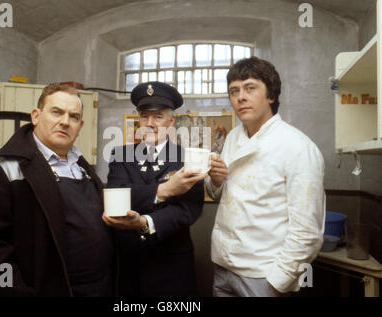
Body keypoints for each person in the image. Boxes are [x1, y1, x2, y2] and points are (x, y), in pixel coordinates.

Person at [0, 83, 115, 296]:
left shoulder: (82, 166)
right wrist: (15, 290)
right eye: (56, 112)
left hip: (99, 287)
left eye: (73, 117)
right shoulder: (1, 164)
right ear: (36, 116)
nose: (65, 122)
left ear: (80, 126)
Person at [206, 56, 325, 297]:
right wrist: (216, 181)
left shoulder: (297, 146)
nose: (240, 97)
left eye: (250, 88)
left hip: (263, 276)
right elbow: (220, 193)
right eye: (234, 91)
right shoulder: (231, 138)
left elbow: (307, 231)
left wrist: (277, 283)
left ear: (270, 95)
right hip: (224, 267)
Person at [102, 81, 205, 296]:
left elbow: (188, 208)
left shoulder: (187, 158)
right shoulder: (121, 156)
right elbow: (117, 198)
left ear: (171, 121)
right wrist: (164, 191)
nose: (150, 123)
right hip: (131, 264)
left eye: (158, 116)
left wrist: (146, 223)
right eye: (144, 116)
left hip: (172, 266)